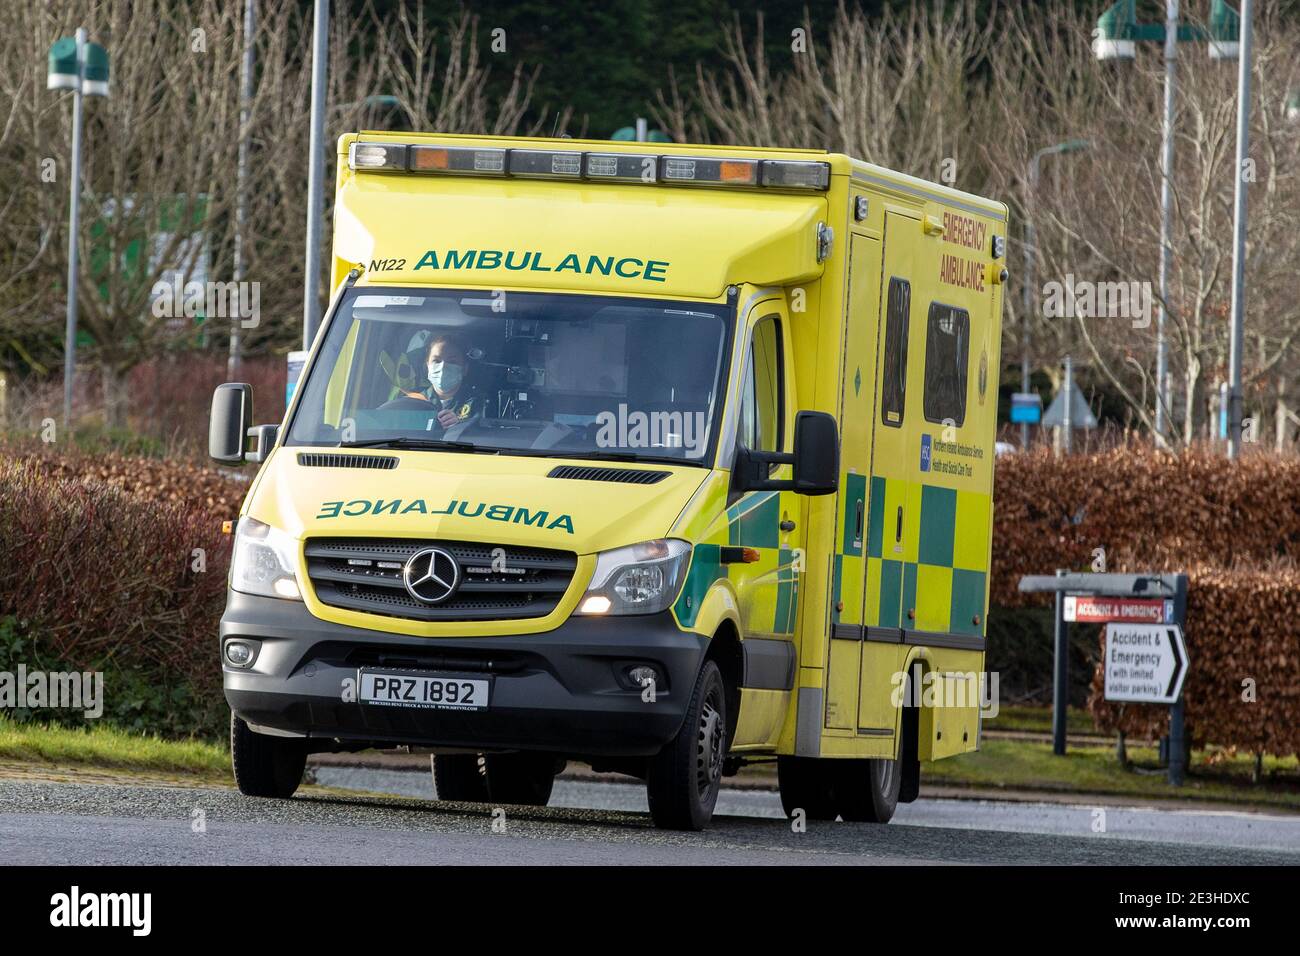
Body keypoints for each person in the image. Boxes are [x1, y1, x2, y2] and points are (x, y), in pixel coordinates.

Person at [405, 333, 487, 429]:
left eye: (452, 362)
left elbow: (485, 437)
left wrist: (459, 427)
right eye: (436, 361)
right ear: (427, 366)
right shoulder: (412, 401)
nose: (443, 367)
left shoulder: (480, 404)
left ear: (465, 368)